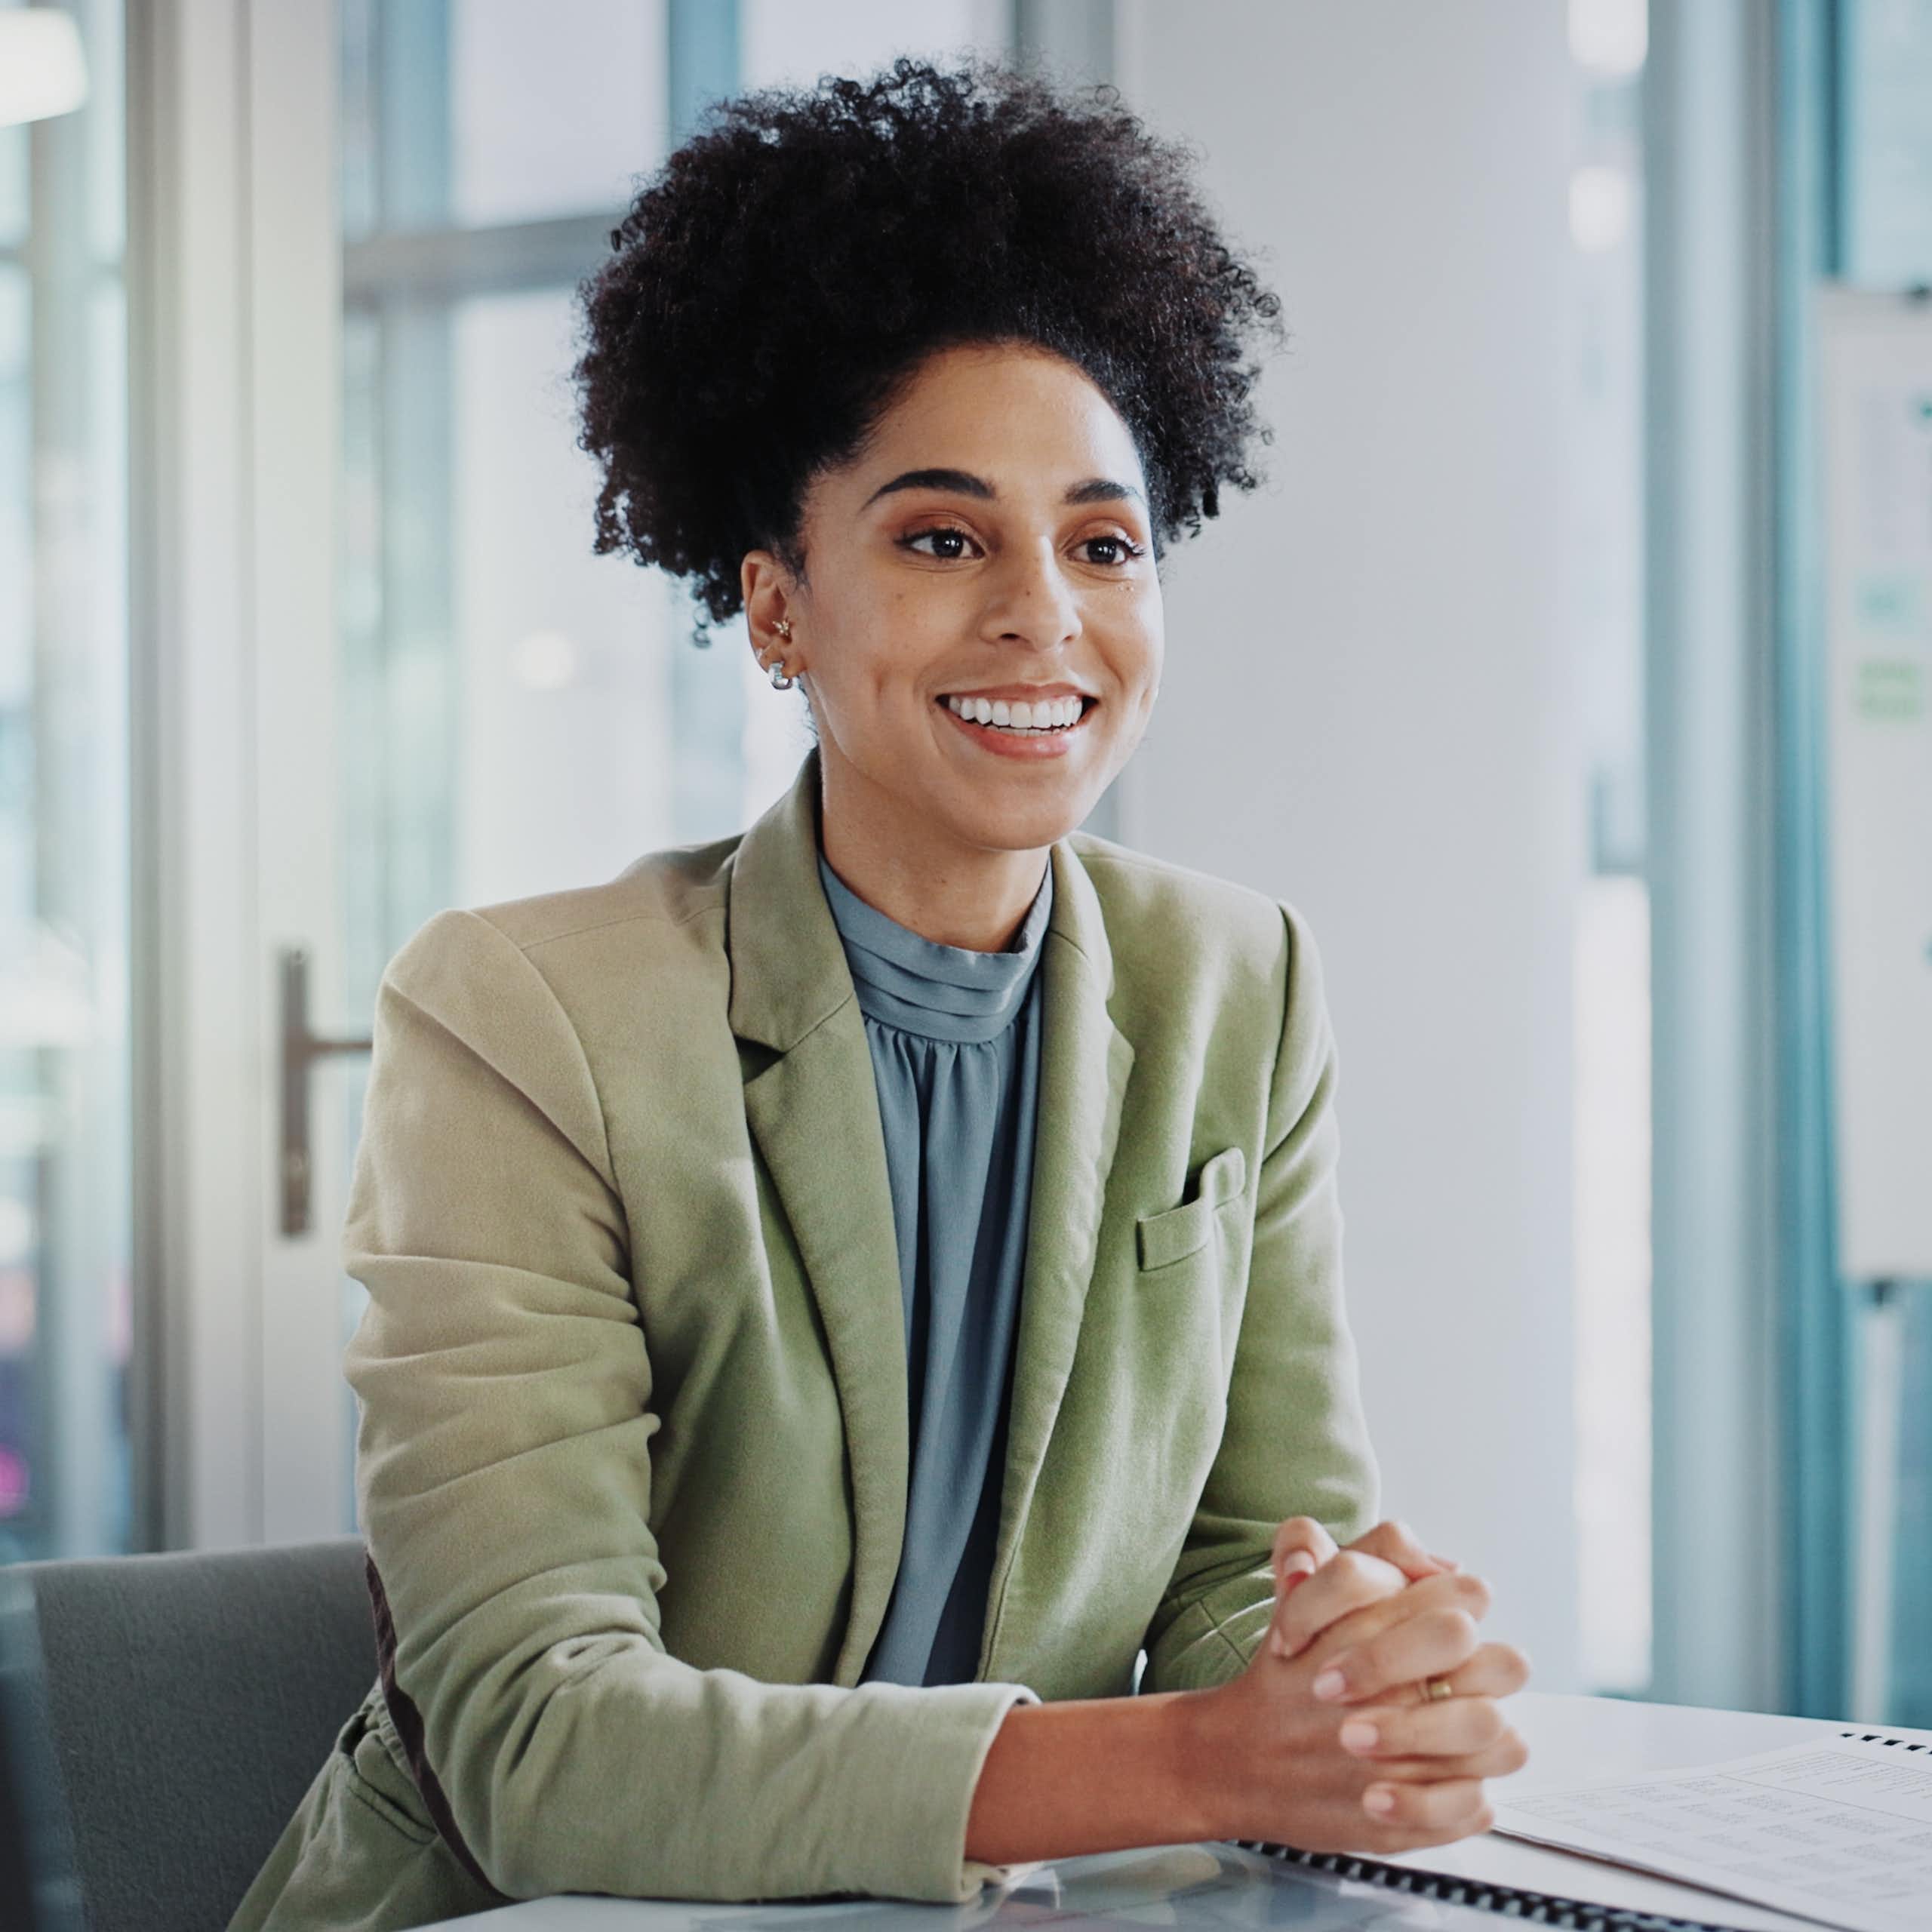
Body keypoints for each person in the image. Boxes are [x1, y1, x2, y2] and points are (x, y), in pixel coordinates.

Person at [230, 57, 1528, 1932]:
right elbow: (537, 1740)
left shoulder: (1237, 984)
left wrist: (1339, 1660)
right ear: (776, 606)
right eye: (940, 538)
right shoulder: (527, 1014)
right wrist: (1197, 1756)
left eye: (1102, 542)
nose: (1040, 614)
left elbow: (1248, 1553)